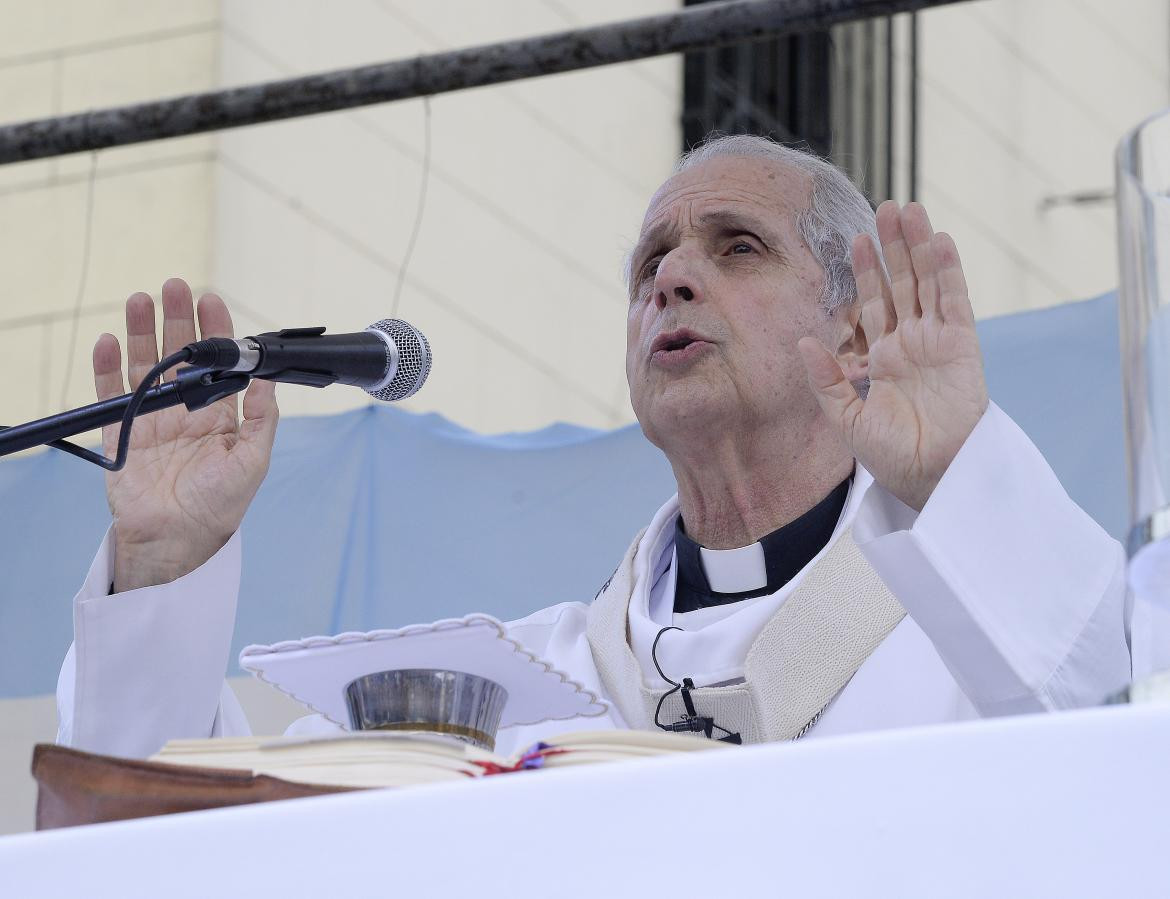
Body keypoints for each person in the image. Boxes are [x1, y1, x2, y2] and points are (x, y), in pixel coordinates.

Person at [56, 134, 1131, 758]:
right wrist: (166, 563)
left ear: (854, 329)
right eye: (650, 262)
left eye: (737, 246)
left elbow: (1119, 757)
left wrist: (954, 476)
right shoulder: (509, 688)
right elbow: (179, 842)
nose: (669, 276)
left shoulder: (978, 639)